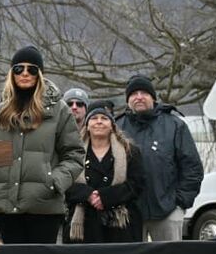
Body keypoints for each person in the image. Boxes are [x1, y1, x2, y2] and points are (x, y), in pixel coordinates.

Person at [0, 46, 85, 243]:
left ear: (40, 74)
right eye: (19, 69)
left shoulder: (59, 110)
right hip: (5, 205)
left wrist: (54, 183)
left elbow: (74, 154)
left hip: (44, 205)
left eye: (32, 69)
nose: (25, 73)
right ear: (12, 73)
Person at [118, 75, 204, 242]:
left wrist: (180, 203)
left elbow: (192, 167)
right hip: (129, 213)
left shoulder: (174, 125)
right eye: (134, 94)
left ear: (153, 97)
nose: (139, 97)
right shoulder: (117, 127)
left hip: (168, 211)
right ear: (128, 100)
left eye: (144, 93)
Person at [64, 101, 146, 243]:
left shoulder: (130, 151)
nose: (99, 122)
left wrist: (106, 197)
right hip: (83, 225)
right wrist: (87, 195)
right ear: (87, 125)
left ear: (112, 125)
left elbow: (137, 184)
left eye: (104, 118)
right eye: (94, 119)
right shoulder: (73, 151)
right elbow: (65, 181)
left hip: (121, 226)